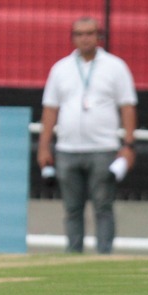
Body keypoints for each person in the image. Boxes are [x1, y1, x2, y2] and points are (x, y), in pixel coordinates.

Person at [36, 16, 137, 254]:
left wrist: (129, 144)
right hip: (67, 149)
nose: (85, 38)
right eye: (79, 34)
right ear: (73, 38)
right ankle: (73, 254)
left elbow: (127, 106)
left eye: (89, 33)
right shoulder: (61, 68)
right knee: (72, 208)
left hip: (103, 148)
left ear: (98, 36)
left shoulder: (115, 66)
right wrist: (44, 146)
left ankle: (104, 254)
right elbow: (50, 109)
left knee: (103, 206)